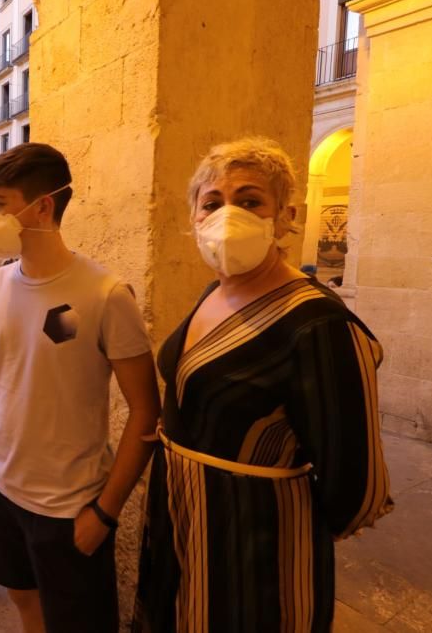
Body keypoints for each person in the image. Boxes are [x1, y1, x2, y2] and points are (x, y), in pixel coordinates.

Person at [132, 138, 392, 632]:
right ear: (194, 218)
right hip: (179, 515)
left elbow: (355, 483)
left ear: (284, 215)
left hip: (253, 540)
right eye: (212, 203)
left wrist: (277, 521)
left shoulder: (317, 322)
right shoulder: (214, 292)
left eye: (249, 201)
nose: (228, 214)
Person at [0, 143, 159, 633]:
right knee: (25, 603)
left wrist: (105, 513)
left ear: (43, 205)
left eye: (0, 204)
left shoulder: (105, 294)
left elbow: (146, 411)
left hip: (71, 508)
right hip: (3, 494)